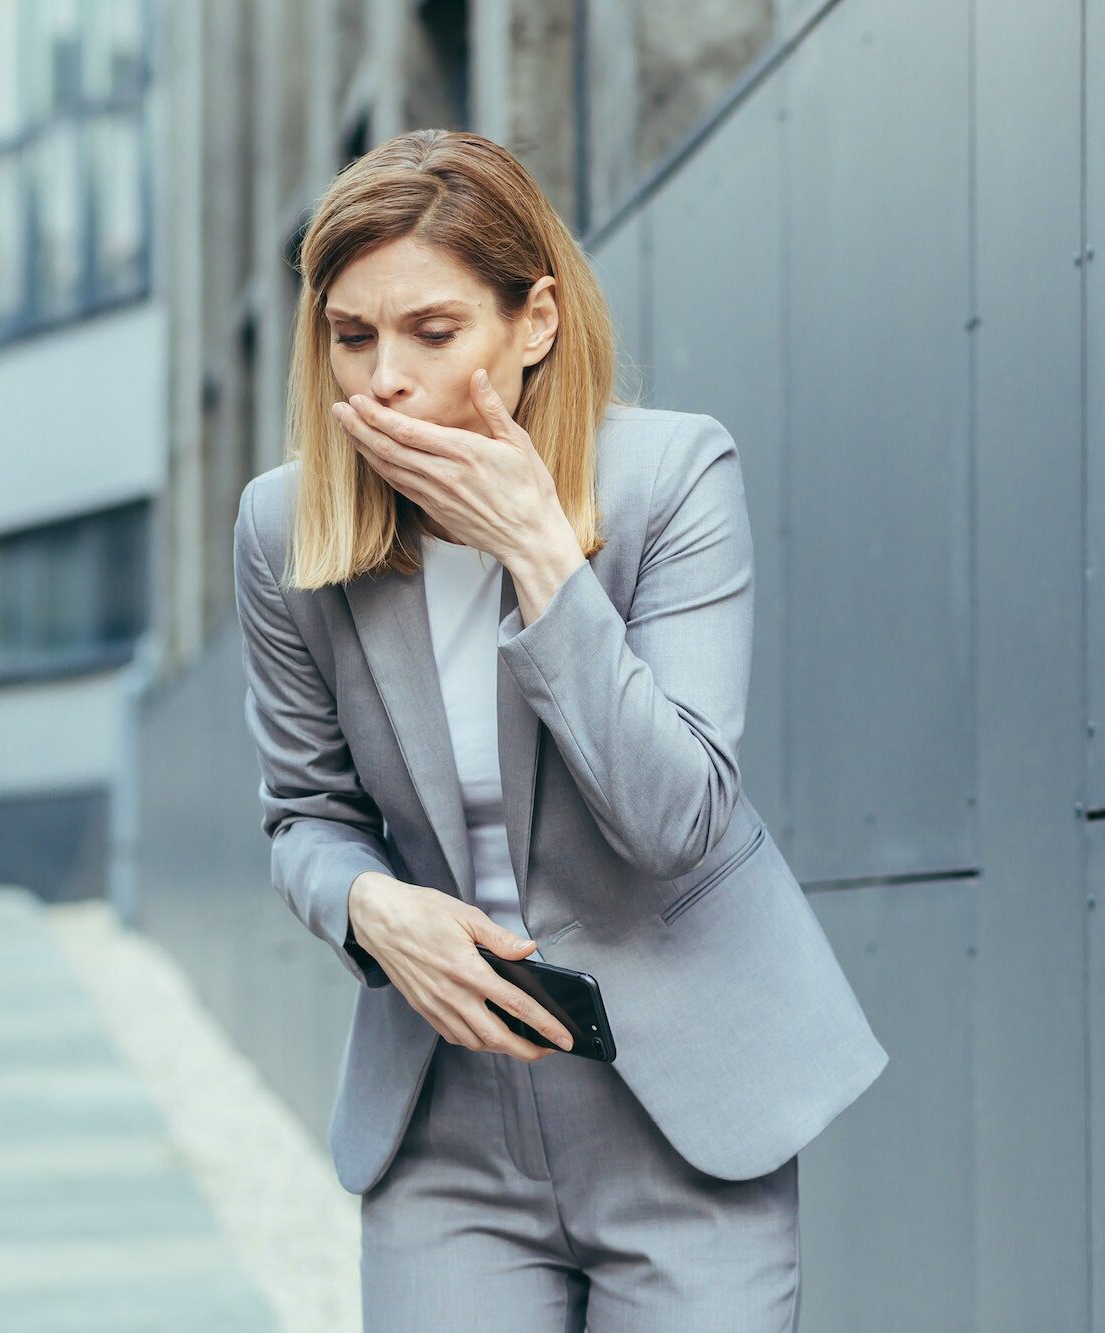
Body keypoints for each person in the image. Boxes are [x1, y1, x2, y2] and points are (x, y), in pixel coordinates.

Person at [230, 129, 888, 1332]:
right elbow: (305, 816)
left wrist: (540, 554)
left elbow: (679, 821)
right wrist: (370, 909)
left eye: (432, 333)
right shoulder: (286, 531)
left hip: (682, 1111)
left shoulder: (670, 478)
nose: (382, 381)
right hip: (444, 1123)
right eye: (351, 336)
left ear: (532, 322)